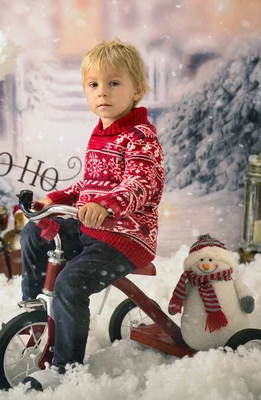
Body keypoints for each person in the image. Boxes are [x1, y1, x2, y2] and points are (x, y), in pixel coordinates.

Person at [20, 37, 165, 391]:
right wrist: (53, 200)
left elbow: (142, 183)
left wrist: (108, 206)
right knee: (35, 233)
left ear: (137, 90)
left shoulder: (140, 137)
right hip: (93, 231)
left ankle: (65, 370)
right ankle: (36, 312)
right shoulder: (100, 134)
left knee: (71, 283)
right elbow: (90, 185)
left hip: (126, 237)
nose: (103, 92)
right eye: (94, 84)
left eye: (114, 83)